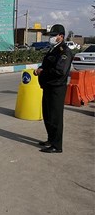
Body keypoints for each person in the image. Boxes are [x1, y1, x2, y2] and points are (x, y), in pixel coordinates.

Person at [33, 24, 73, 153]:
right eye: (50, 35)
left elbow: (60, 71)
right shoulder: (53, 49)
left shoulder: (64, 51)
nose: (51, 38)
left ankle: (57, 145)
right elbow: (48, 65)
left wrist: (42, 72)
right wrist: (41, 69)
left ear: (61, 36)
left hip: (57, 88)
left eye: (53, 35)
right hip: (48, 86)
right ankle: (50, 139)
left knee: (55, 117)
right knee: (48, 115)